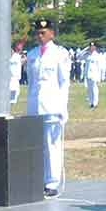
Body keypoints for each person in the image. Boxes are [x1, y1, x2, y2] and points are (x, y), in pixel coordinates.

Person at [26, 19, 71, 199]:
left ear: (52, 34)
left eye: (44, 32)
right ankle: (39, 179)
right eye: (38, 32)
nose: (40, 35)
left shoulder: (60, 54)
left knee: (52, 145)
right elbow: (31, 83)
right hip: (35, 105)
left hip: (52, 105)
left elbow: (64, 83)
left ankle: (52, 182)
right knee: (37, 146)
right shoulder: (32, 54)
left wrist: (63, 107)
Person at [84, 42, 102, 109]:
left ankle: (95, 103)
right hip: (88, 74)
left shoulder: (97, 55)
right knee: (89, 90)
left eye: (93, 46)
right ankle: (91, 103)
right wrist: (85, 49)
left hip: (94, 74)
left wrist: (99, 77)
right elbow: (78, 56)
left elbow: (100, 67)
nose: (91, 48)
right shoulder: (87, 54)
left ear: (95, 47)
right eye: (90, 46)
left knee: (95, 89)